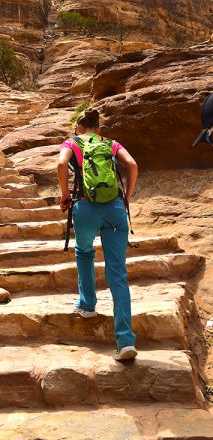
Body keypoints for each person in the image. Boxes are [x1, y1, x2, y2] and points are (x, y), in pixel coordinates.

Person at [57, 108, 139, 361]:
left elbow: (61, 163)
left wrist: (65, 195)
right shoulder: (112, 144)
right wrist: (127, 197)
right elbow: (132, 165)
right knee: (118, 272)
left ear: (79, 127)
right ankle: (125, 341)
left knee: (84, 251)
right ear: (98, 128)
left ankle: (88, 305)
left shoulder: (72, 142)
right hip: (114, 208)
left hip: (85, 207)